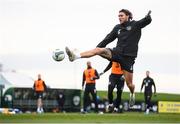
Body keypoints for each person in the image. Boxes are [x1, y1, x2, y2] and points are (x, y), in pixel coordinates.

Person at [65, 9, 152, 106]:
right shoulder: (117, 28)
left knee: (130, 84)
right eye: (118, 16)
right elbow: (108, 38)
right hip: (117, 53)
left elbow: (146, 21)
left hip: (128, 59)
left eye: (121, 15)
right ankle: (75, 56)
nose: (119, 17)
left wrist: (148, 17)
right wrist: (98, 47)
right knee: (99, 50)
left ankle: (132, 93)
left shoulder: (135, 25)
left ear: (128, 16)